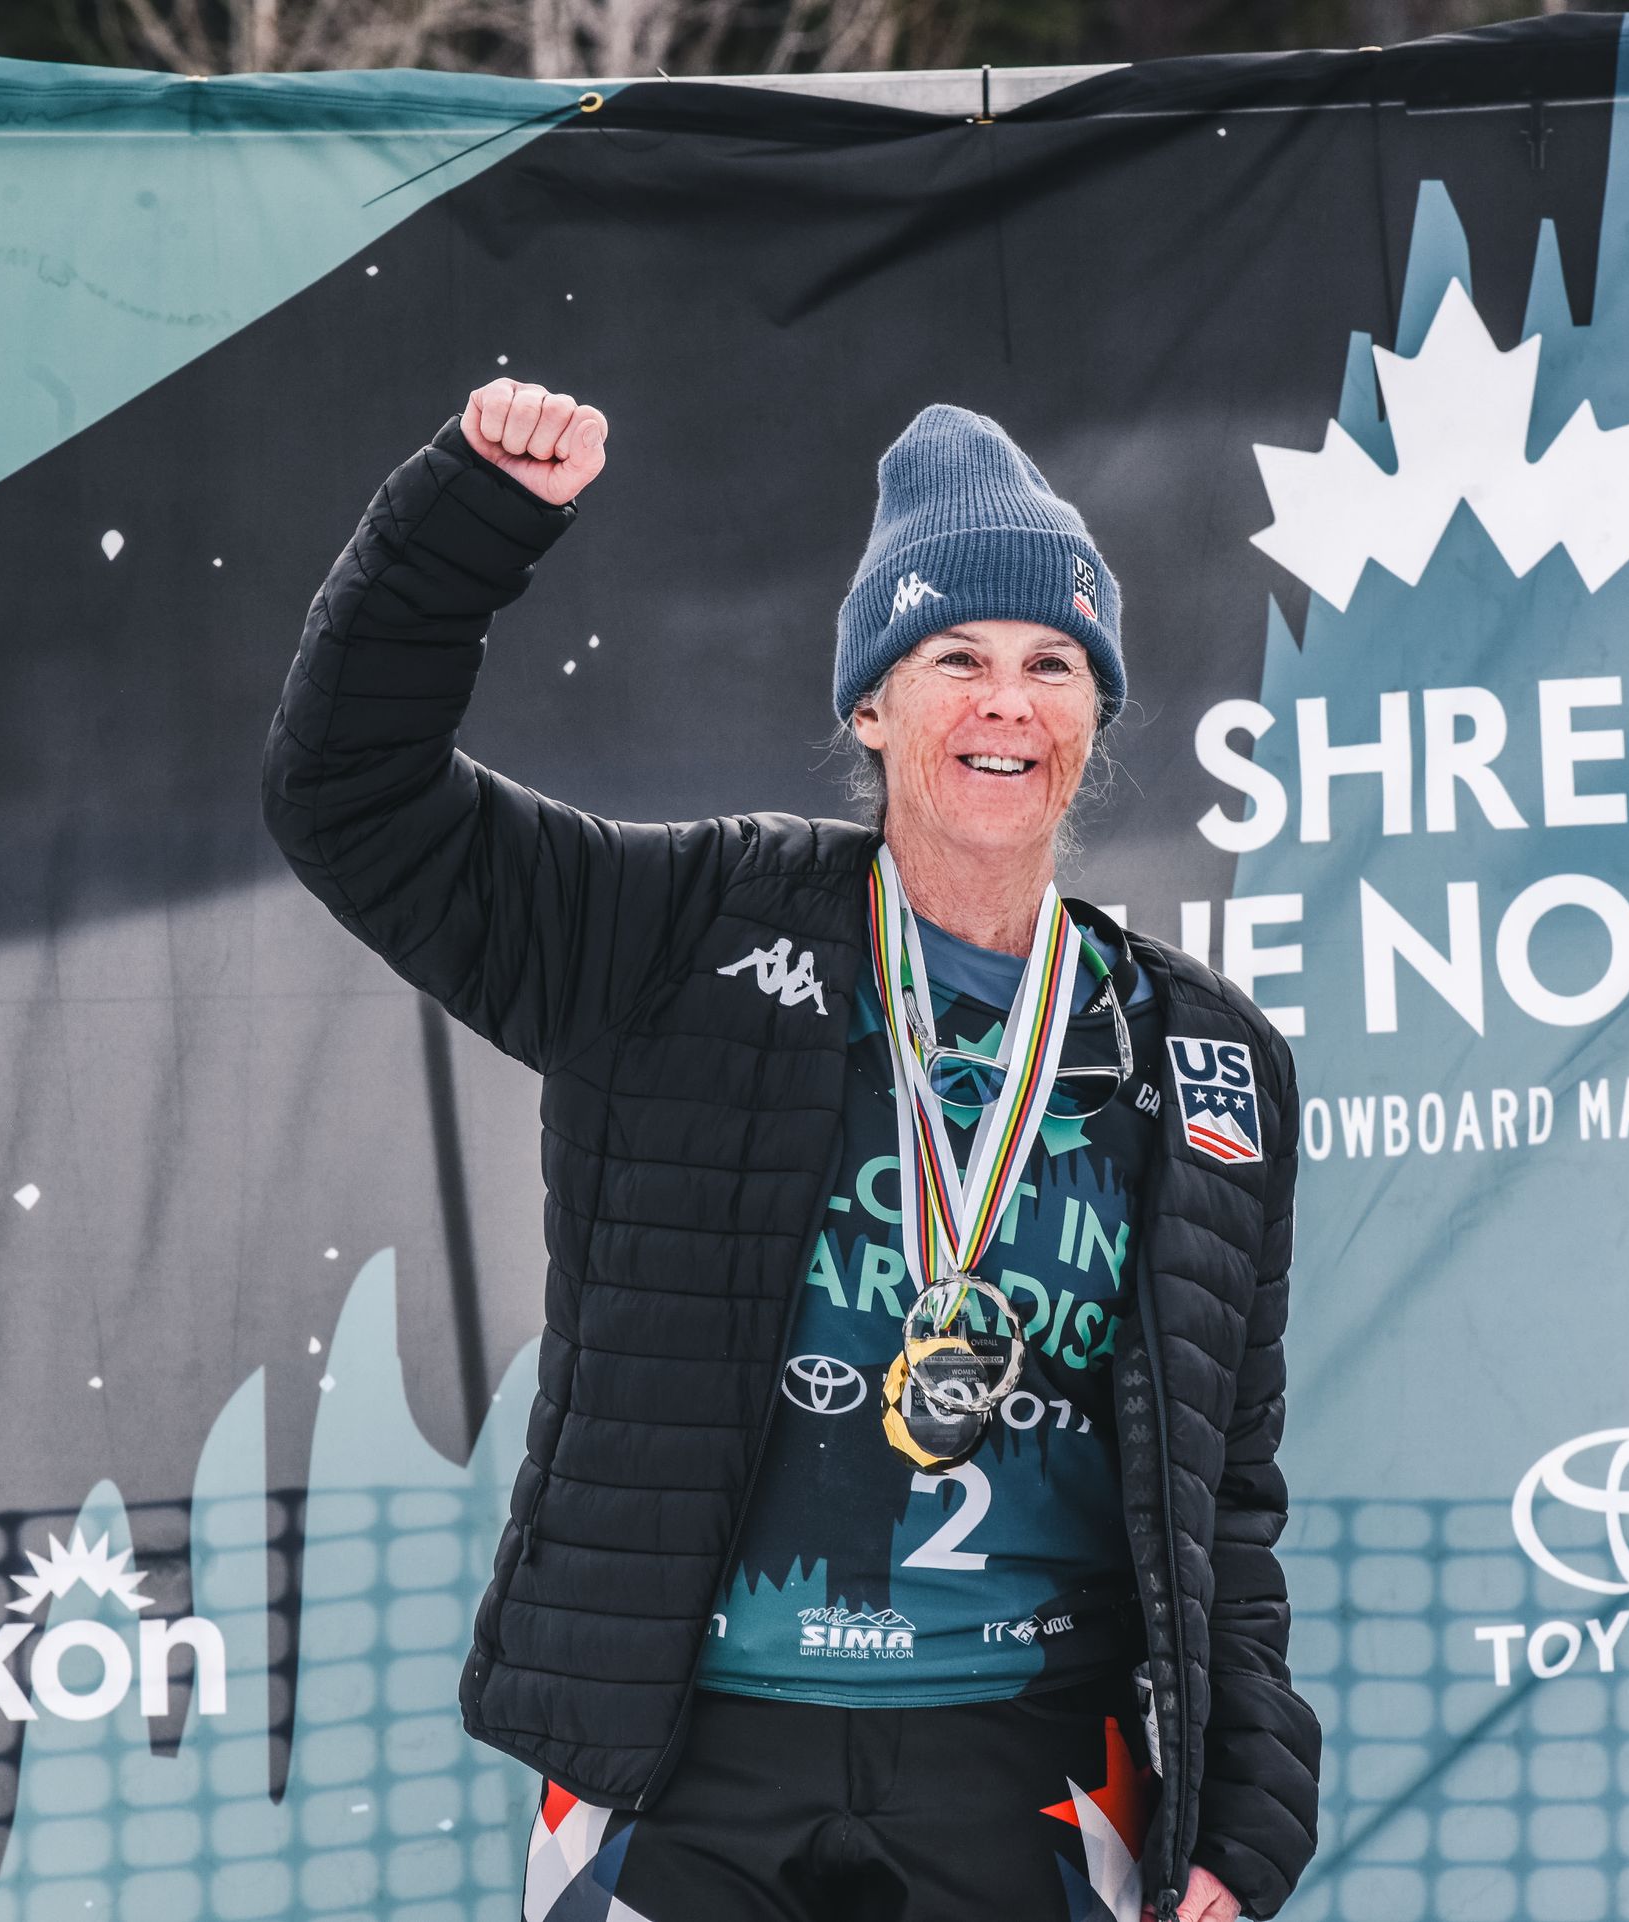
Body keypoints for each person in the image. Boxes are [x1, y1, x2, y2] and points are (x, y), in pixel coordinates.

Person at [263, 379, 1319, 1922]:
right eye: (955, 657)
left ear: (1098, 710)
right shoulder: (680, 934)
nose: (1006, 702)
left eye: (1051, 663)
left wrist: (1247, 1805)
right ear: (871, 705)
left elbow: (1225, 1490)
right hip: (689, 1755)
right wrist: (472, 517)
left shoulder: (1203, 1054)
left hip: (1035, 1760)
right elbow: (346, 797)